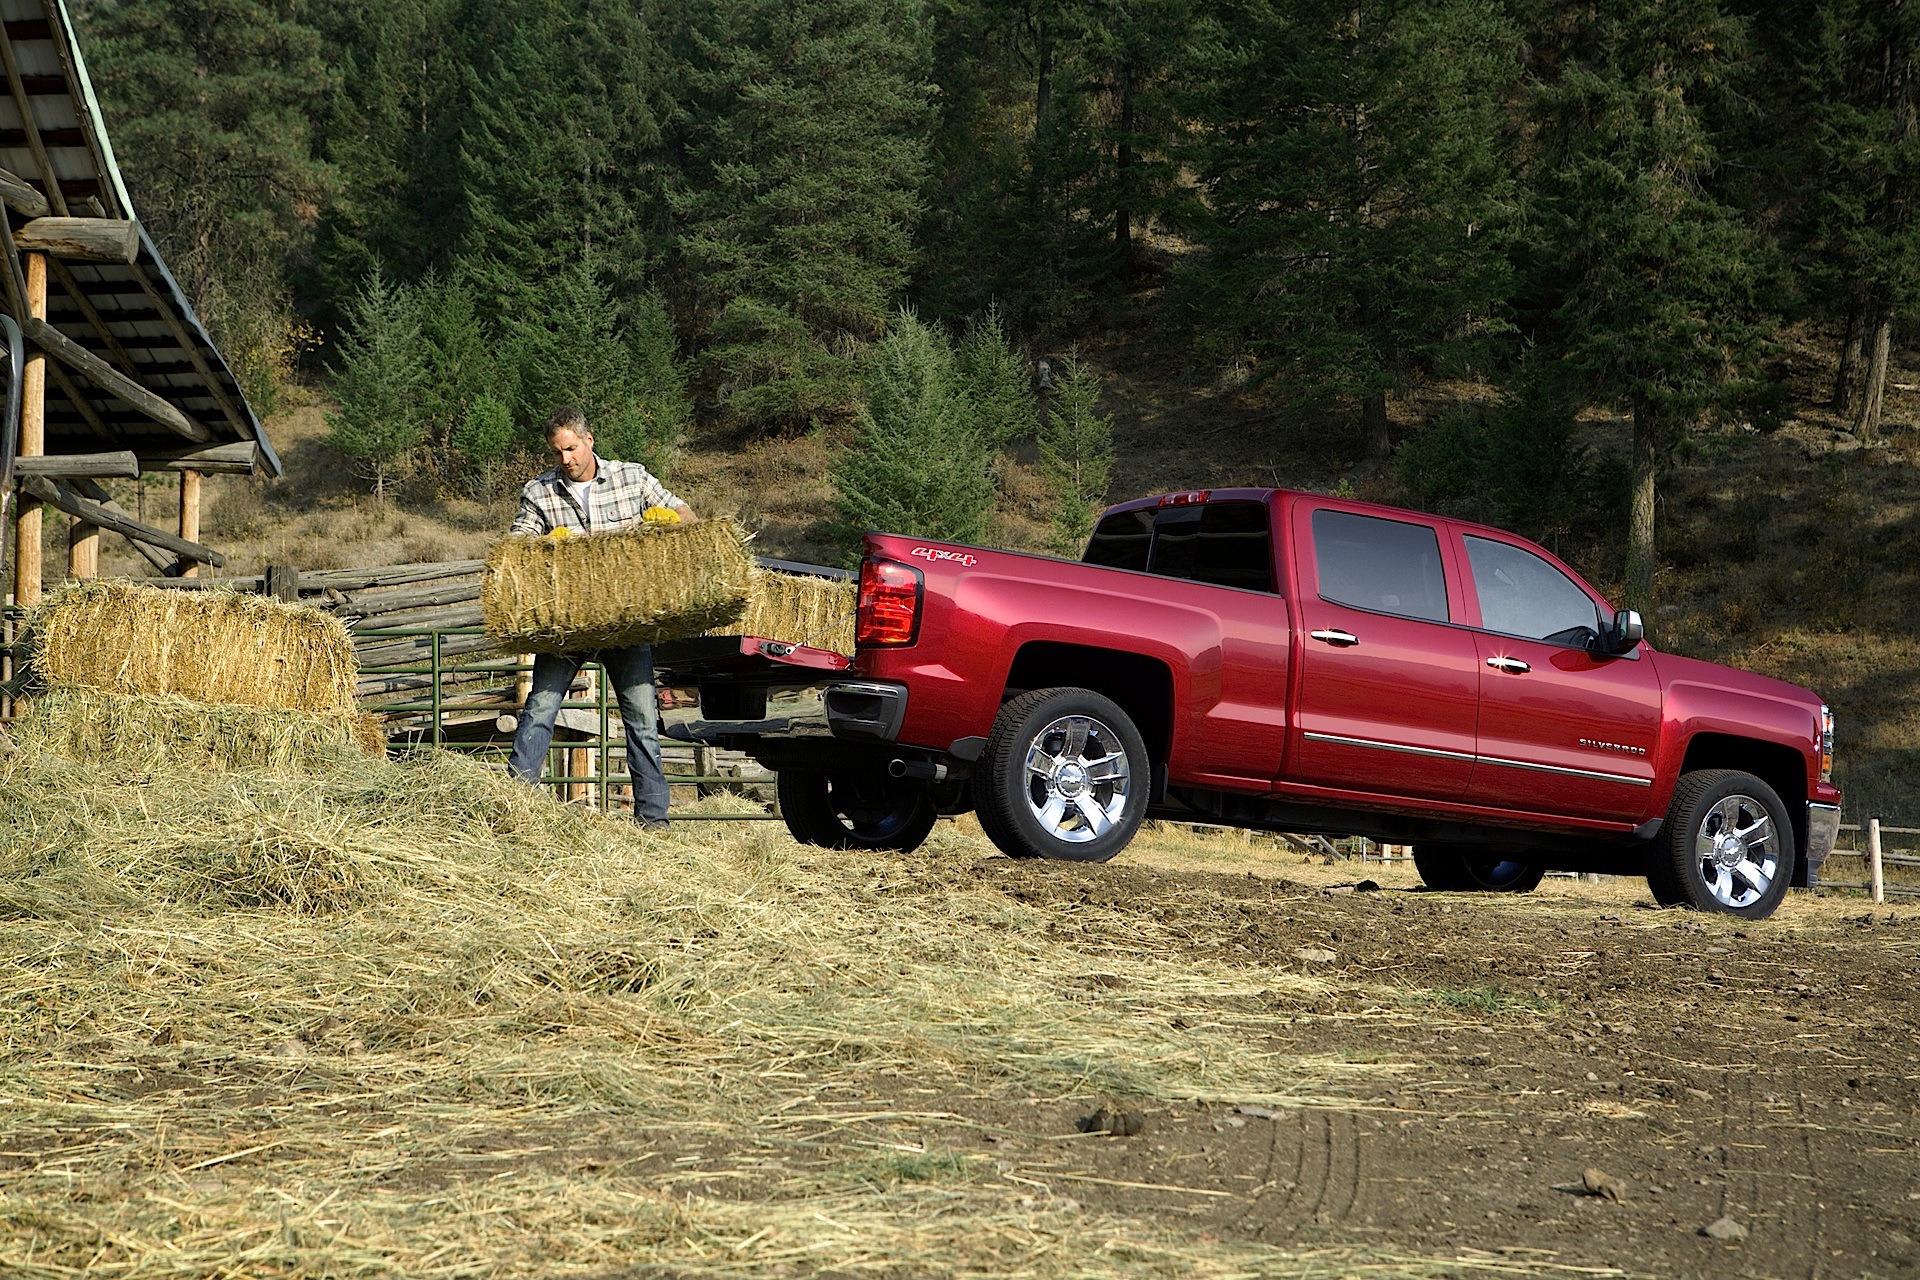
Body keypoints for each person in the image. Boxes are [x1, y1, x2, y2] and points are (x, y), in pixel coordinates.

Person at [506, 405, 697, 830]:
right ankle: (514, 806)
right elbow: (515, 548)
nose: (565, 460)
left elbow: (686, 515)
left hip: (626, 622)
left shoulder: (632, 477)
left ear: (589, 440)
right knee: (540, 707)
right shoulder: (539, 493)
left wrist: (665, 522)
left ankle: (653, 821)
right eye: (557, 453)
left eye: (571, 449)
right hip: (568, 625)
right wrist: (541, 545)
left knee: (642, 718)